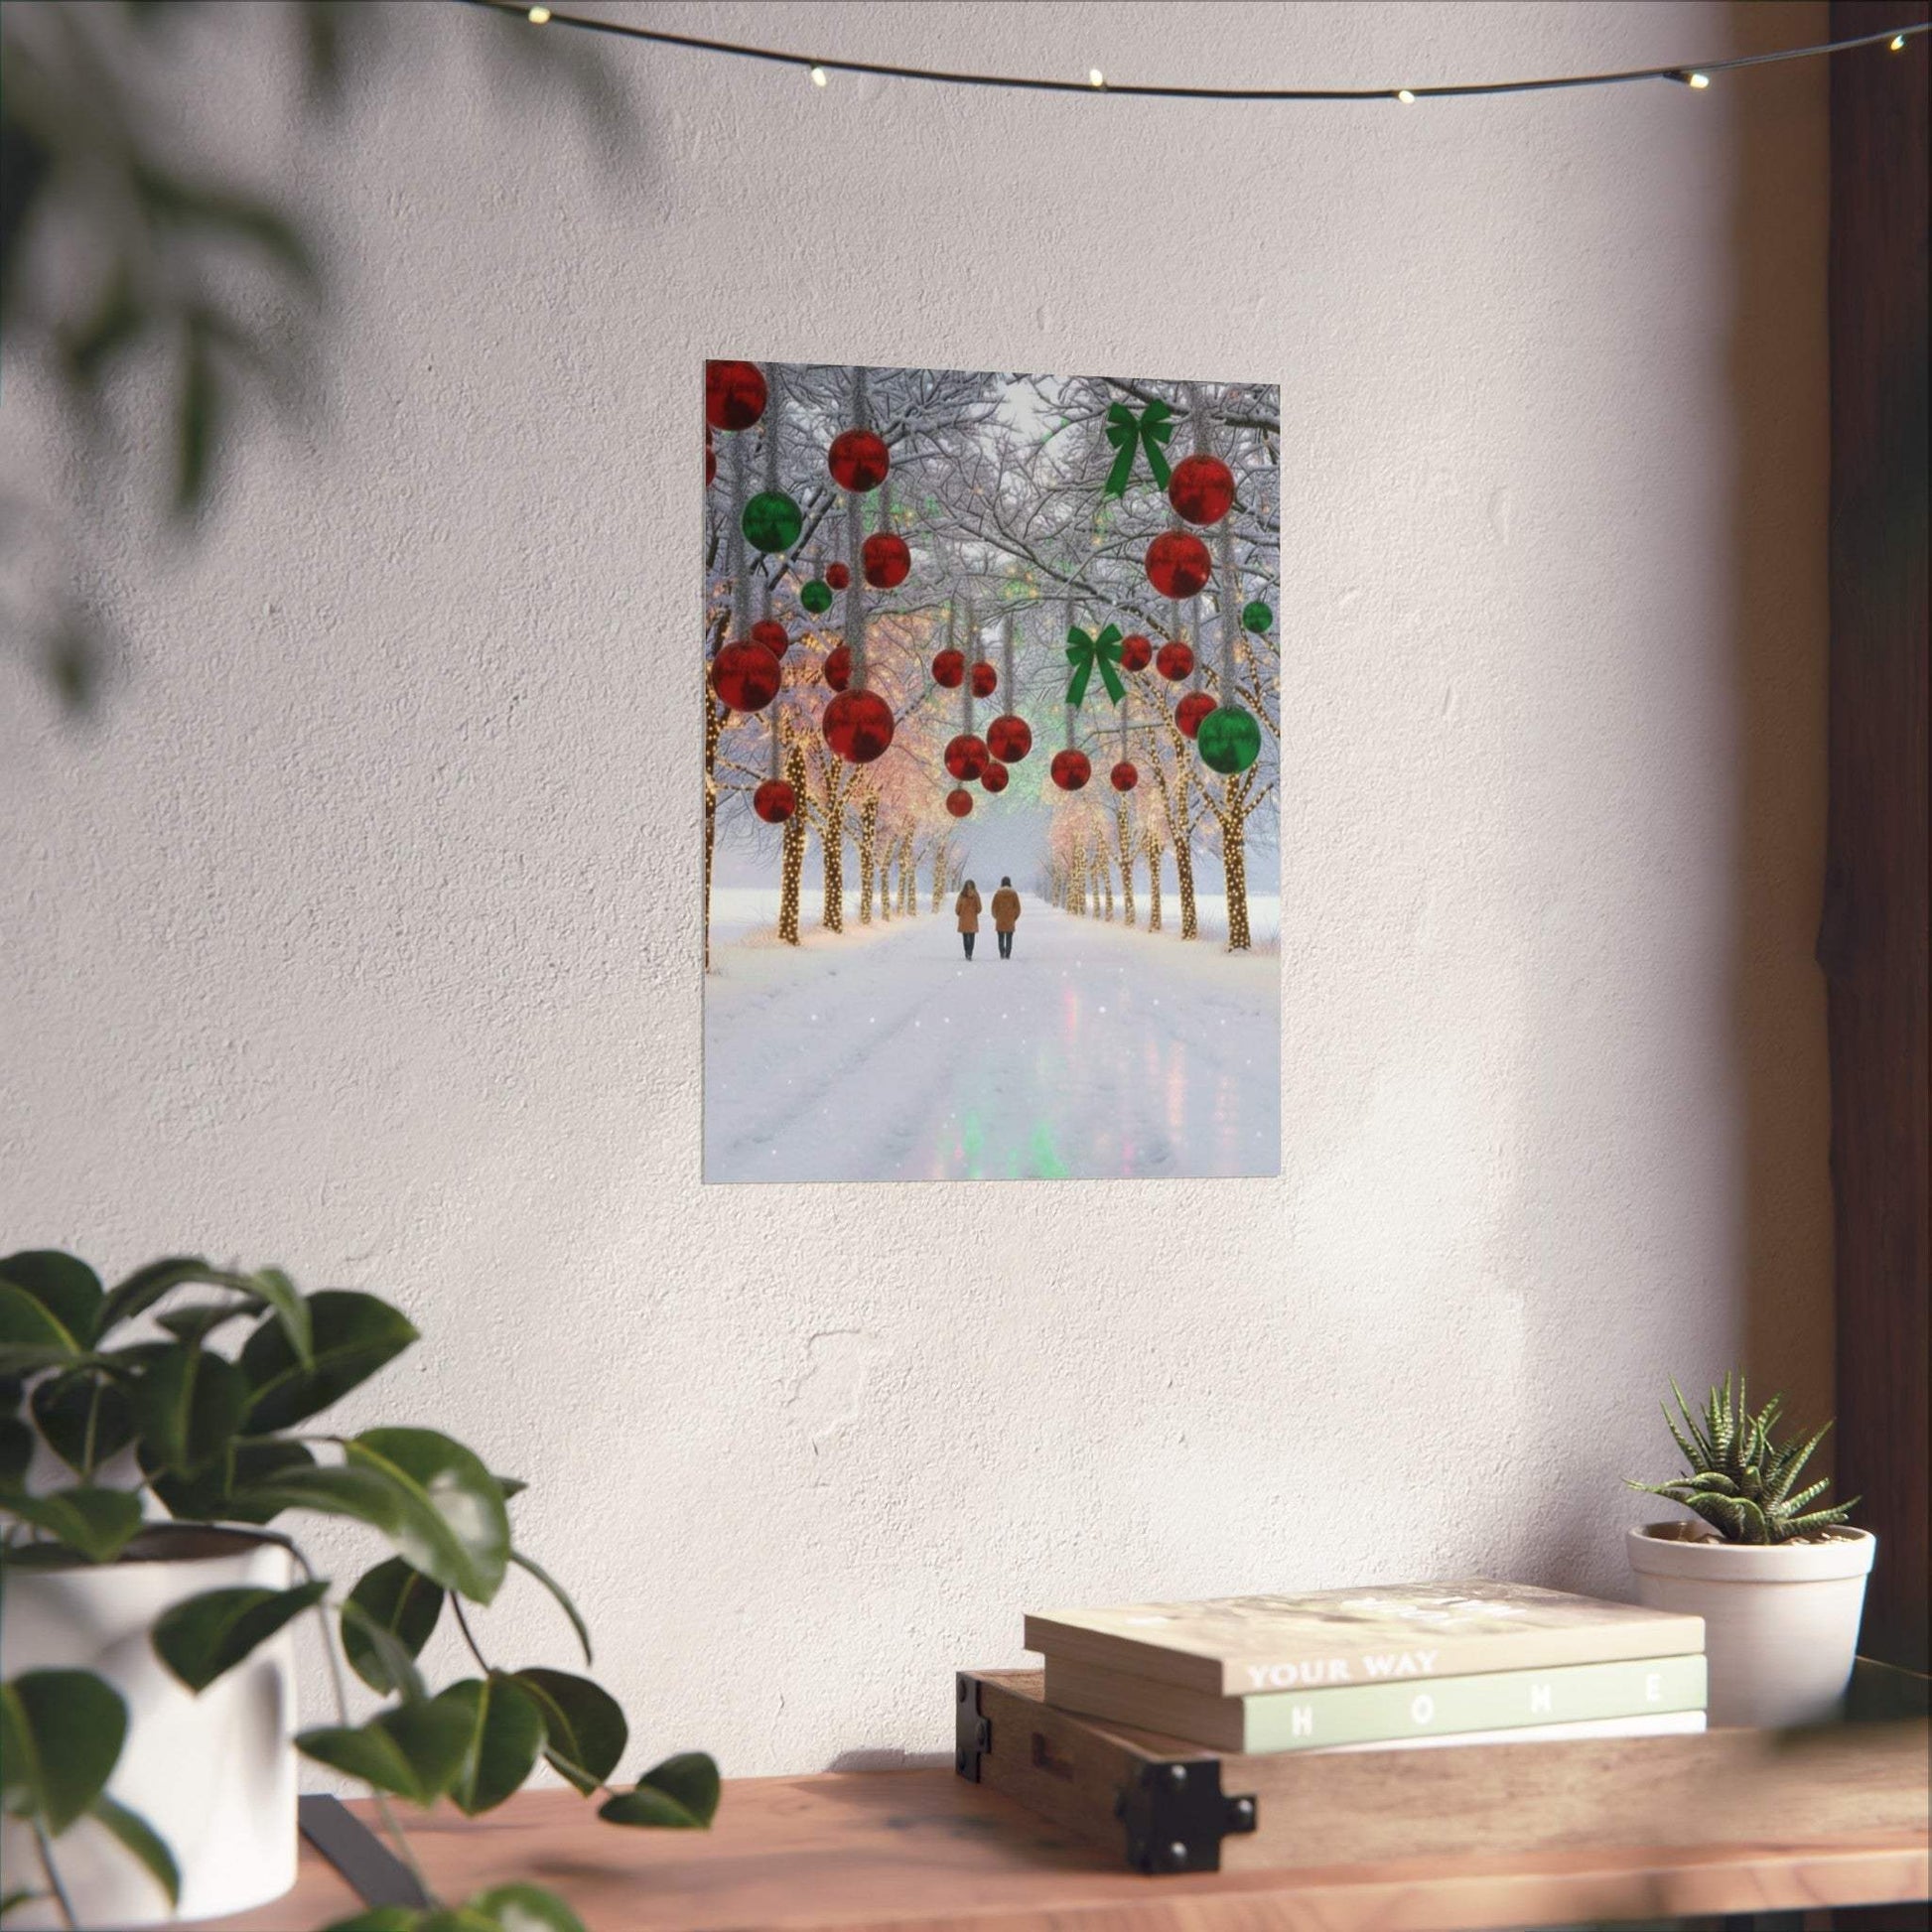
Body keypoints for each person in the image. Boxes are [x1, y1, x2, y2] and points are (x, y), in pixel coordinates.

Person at [990, 877, 1021, 959]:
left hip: (1000, 919)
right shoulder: (1013, 894)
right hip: (1010, 919)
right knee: (1009, 938)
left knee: (1000, 937)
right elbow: (1017, 908)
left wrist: (996, 916)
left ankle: (1002, 952)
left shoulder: (997, 894)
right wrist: (1014, 917)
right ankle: (1007, 953)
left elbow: (993, 907)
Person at [954, 879, 981, 959]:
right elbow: (979, 908)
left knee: (965, 937)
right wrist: (974, 912)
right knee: (972, 937)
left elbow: (957, 908)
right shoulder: (976, 895)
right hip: (972, 920)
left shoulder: (962, 895)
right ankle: (970, 953)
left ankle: (966, 952)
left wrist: (960, 913)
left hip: (963, 920)